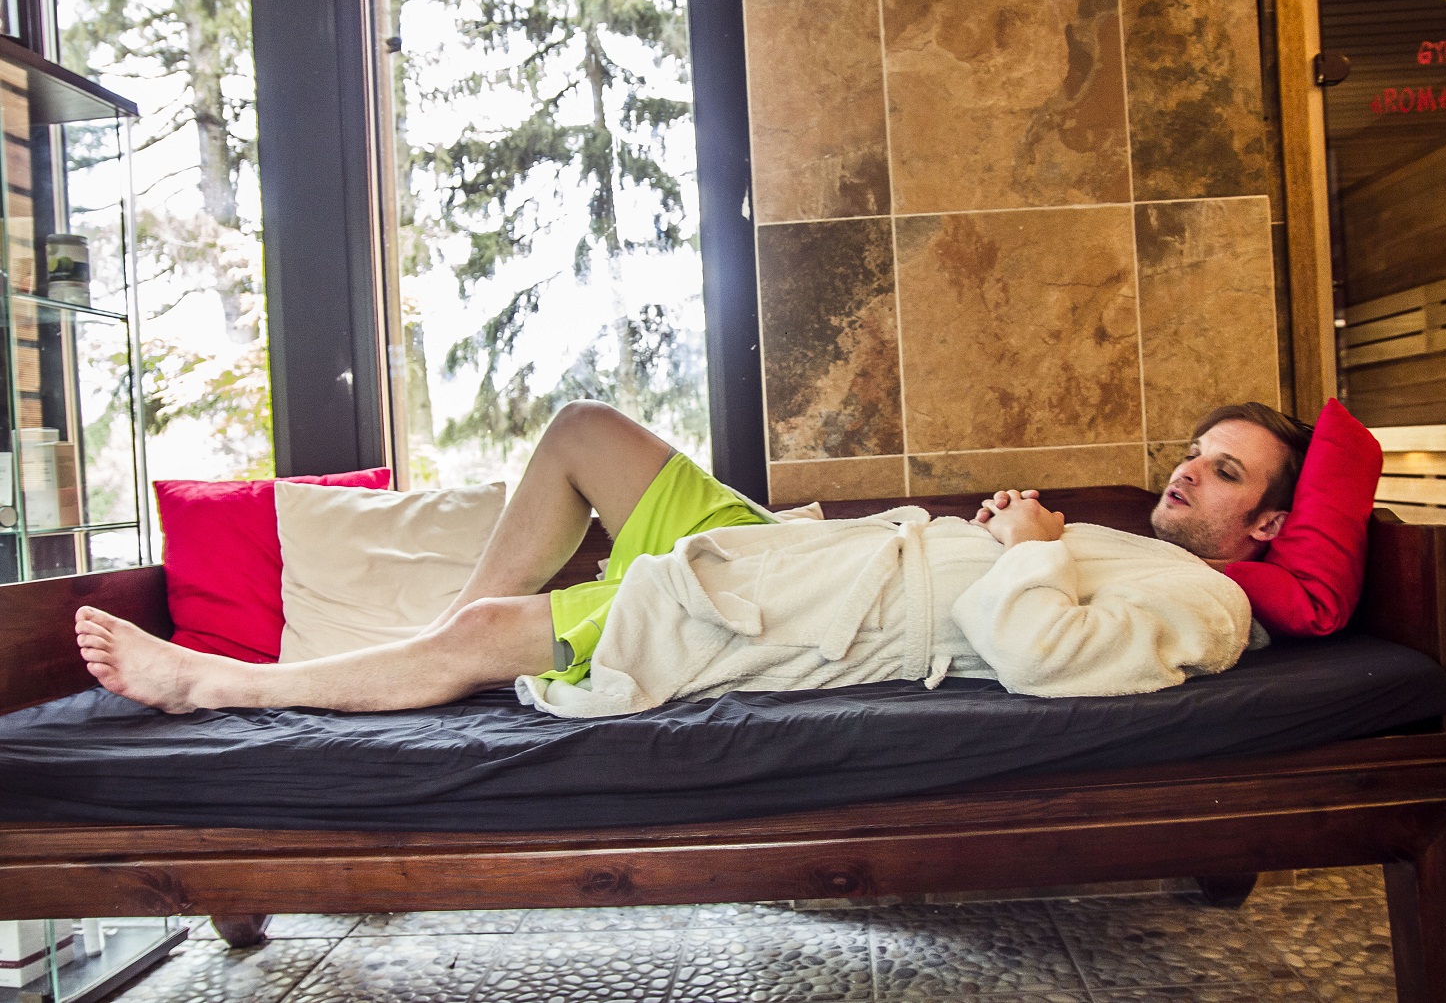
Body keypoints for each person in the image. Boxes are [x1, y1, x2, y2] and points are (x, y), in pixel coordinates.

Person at [76, 399, 1312, 718]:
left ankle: (216, 682)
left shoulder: (1209, 607)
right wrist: (1013, 535)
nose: (1184, 471)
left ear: (1265, 527)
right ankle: (423, 651)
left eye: (1223, 472)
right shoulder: (1142, 545)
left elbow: (1036, 654)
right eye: (1193, 451)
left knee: (484, 640)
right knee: (581, 432)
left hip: (794, 613)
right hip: (792, 553)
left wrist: (1026, 549)